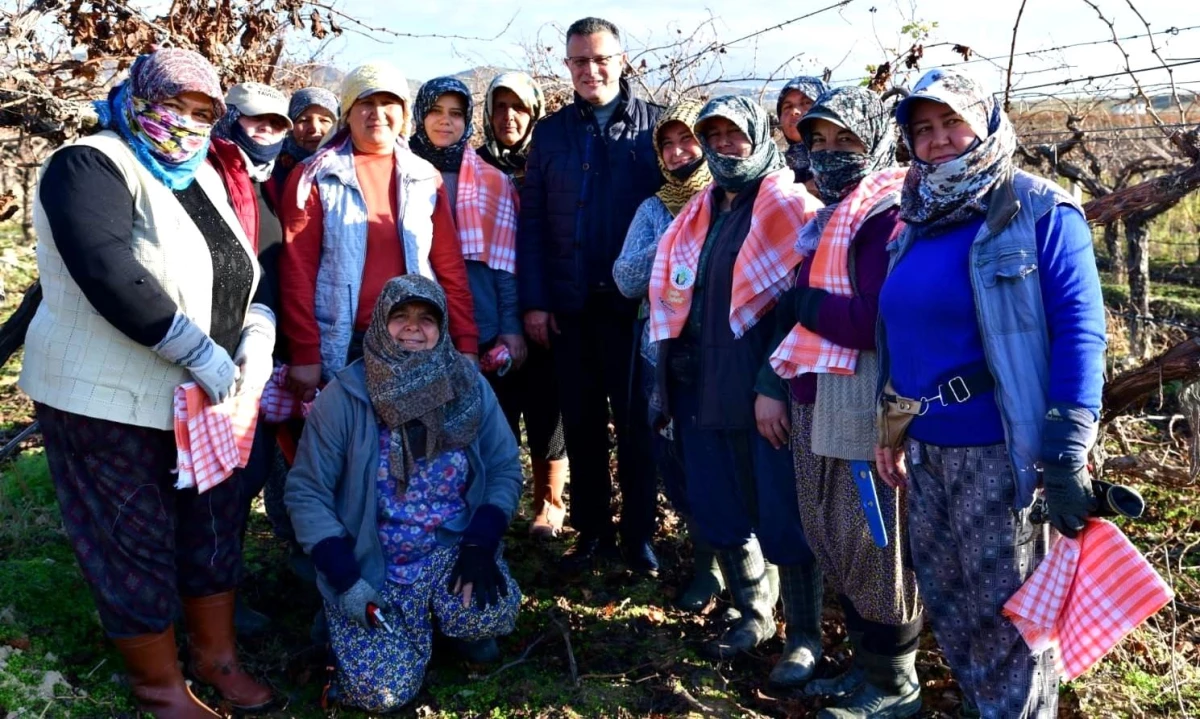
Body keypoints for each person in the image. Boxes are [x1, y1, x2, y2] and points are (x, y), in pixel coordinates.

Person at [18, 48, 275, 717]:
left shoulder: (204, 176)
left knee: (211, 524)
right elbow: (108, 270)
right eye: (174, 106)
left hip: (201, 397)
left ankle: (216, 657)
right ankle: (161, 685)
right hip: (107, 400)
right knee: (131, 538)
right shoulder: (90, 164)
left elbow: (247, 265)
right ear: (138, 98)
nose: (186, 124)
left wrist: (256, 336)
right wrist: (200, 350)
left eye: (202, 112)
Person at [875, 68, 1107, 718]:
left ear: (985, 122)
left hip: (1003, 458)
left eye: (952, 121)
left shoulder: (1038, 210)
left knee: (1014, 624)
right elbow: (904, 336)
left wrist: (1065, 452)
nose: (939, 138)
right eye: (923, 128)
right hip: (927, 453)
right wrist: (891, 427)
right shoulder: (914, 219)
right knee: (952, 607)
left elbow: (1081, 333)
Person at [285, 275, 523, 713]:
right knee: (382, 693)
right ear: (379, 323)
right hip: (371, 564)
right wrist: (344, 578)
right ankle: (341, 616)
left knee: (492, 611)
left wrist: (480, 543)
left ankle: (446, 623)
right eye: (401, 316)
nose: (414, 327)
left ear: (442, 327)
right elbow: (306, 492)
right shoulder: (345, 395)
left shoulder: (468, 385)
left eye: (427, 318)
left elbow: (505, 467)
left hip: (449, 551)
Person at [757, 86, 921, 712]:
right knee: (836, 535)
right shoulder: (828, 217)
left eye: (845, 141)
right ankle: (867, 666)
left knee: (874, 541)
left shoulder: (887, 215)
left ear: (879, 138)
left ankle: (894, 686)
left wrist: (806, 306)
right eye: (817, 142)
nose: (828, 155)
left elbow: (877, 320)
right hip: (818, 391)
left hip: (859, 396)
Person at [645, 96, 822, 674]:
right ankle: (752, 612)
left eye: (733, 133)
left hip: (758, 384)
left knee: (781, 506)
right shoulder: (699, 208)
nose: (723, 144)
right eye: (712, 133)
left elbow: (805, 307)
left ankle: (805, 634)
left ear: (757, 135)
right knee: (719, 500)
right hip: (698, 380)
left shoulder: (789, 204)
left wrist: (773, 382)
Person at [518, 16, 663, 574]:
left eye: (600, 58)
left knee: (636, 427)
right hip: (569, 307)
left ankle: (639, 537)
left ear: (622, 60)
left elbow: (680, 209)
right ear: (568, 66)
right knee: (579, 423)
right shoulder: (552, 134)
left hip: (634, 309)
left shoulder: (653, 127)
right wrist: (535, 301)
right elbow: (532, 224)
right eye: (579, 61)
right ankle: (593, 533)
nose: (591, 69)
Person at [280, 61, 479, 402]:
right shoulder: (315, 176)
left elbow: (449, 268)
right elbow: (297, 270)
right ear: (348, 112)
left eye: (389, 103)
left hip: (414, 339)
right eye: (366, 103)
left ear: (403, 114)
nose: (378, 113)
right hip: (344, 342)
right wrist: (305, 351)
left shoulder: (424, 177)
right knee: (347, 447)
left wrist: (466, 341)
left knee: (411, 448)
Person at [612, 98, 724, 609]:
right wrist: (674, 244)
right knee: (677, 457)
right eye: (669, 144)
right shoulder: (653, 208)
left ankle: (741, 572)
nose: (680, 152)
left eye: (689, 140)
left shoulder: (734, 197)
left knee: (724, 459)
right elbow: (625, 279)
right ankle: (706, 565)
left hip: (724, 354)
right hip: (662, 356)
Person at [210, 81, 295, 636]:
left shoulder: (267, 185)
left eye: (275, 125)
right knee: (224, 479)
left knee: (252, 468)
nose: (263, 132)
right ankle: (207, 599)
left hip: (261, 347)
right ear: (230, 120)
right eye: (253, 121)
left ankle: (222, 588)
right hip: (213, 350)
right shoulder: (211, 176)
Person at [272, 86, 338, 190]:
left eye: (324, 120)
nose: (314, 128)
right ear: (291, 126)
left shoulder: (352, 166)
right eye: (304, 120)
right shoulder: (271, 171)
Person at [777, 76, 829, 185]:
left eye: (806, 103)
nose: (794, 111)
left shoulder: (843, 163)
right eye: (788, 106)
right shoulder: (773, 170)